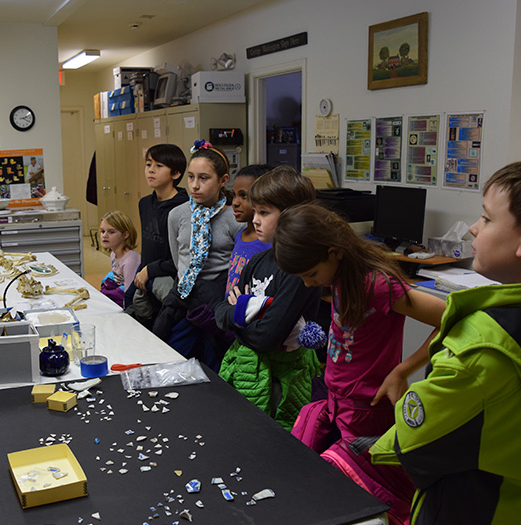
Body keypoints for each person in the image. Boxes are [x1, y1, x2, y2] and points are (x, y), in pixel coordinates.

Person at [273, 203, 446, 524]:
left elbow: (447, 319)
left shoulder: (377, 284)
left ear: (334, 251)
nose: (309, 284)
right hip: (337, 401)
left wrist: (403, 370)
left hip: (368, 410)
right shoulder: (340, 276)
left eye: (311, 274)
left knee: (366, 497)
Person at [371, 162, 521, 524]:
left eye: (486, 218)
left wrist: (374, 449)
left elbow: (416, 447)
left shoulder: (482, 349)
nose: (472, 227)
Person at [215, 166, 322, 430]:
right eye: (256, 211)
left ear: (291, 216)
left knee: (272, 436)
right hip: (250, 369)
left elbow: (268, 337)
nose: (255, 220)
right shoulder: (258, 260)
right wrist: (243, 315)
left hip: (280, 377)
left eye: (264, 213)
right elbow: (221, 312)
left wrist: (239, 313)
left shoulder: (298, 271)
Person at [152, 140, 242, 370]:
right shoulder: (177, 215)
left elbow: (237, 264)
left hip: (215, 298)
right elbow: (177, 256)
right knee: (174, 353)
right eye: (191, 177)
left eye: (204, 178)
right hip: (184, 295)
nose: (194, 185)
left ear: (223, 180)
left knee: (213, 358)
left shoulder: (234, 219)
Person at [129, 144, 188, 322]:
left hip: (169, 279)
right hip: (146, 275)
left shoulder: (183, 208)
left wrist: (150, 270)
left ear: (175, 174)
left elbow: (183, 259)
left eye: (159, 166)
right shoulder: (145, 203)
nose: (151, 171)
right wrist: (144, 271)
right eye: (148, 165)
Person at [225, 164, 273, 295]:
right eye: (234, 195)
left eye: (244, 196)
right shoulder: (240, 235)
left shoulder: (268, 241)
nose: (235, 202)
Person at [99, 210, 140, 308]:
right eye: (102, 231)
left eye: (111, 232)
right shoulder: (113, 254)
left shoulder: (130, 261)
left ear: (125, 235)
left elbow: (130, 293)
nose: (105, 235)